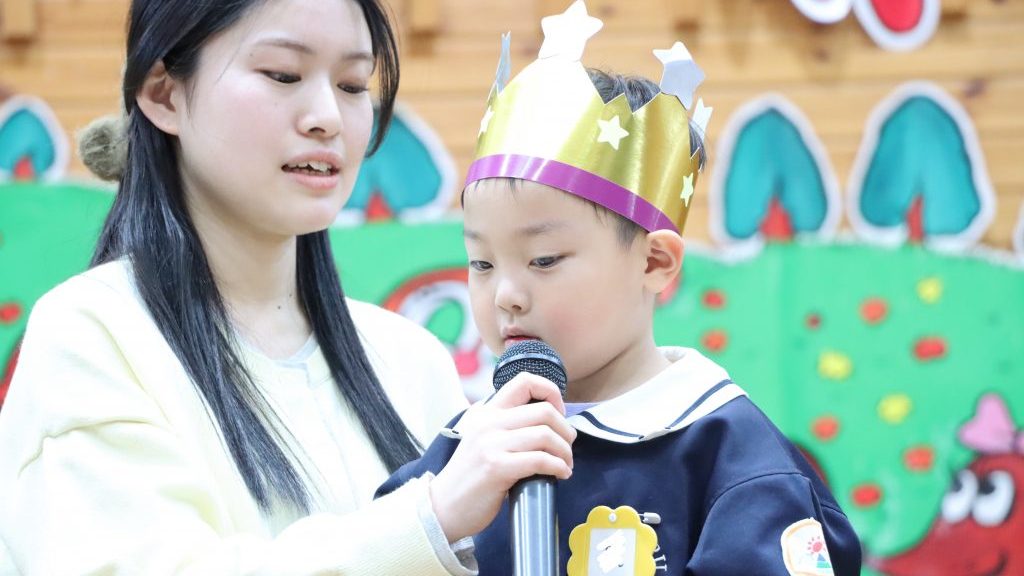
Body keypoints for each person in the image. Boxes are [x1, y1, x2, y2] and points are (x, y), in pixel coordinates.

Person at [0, 0, 575, 574]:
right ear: (164, 94)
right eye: (282, 75)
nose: (328, 117)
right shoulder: (91, 335)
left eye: (352, 85)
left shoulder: (411, 359)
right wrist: (431, 520)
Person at [377, 2, 862, 574]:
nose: (505, 294)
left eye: (543, 259)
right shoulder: (465, 449)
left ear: (654, 261)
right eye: (481, 263)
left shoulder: (727, 454)